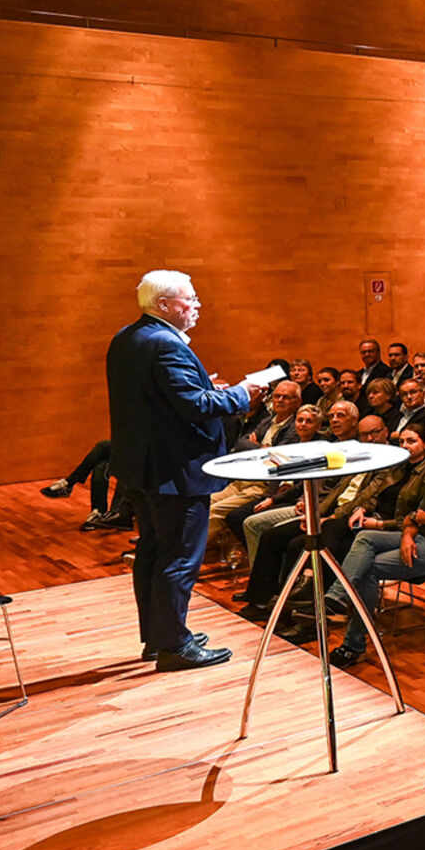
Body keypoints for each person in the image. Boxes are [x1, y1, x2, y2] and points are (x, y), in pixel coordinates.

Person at [108, 270, 268, 671]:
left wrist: (204, 387)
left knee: (152, 550)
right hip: (175, 472)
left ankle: (158, 636)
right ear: (164, 305)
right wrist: (238, 395)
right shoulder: (166, 345)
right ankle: (175, 645)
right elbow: (193, 406)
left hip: (142, 469)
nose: (196, 307)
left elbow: (155, 399)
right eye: (189, 300)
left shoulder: (127, 338)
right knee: (179, 556)